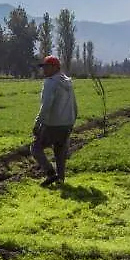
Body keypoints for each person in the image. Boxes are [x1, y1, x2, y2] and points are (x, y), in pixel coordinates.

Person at [30, 55, 78, 187]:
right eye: (43, 67)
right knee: (60, 152)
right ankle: (60, 179)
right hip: (67, 123)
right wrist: (72, 121)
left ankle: (50, 173)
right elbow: (74, 105)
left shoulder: (51, 82)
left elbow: (46, 106)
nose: (44, 70)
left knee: (35, 148)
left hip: (53, 123)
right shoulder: (68, 82)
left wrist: (37, 123)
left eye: (46, 67)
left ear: (55, 67)